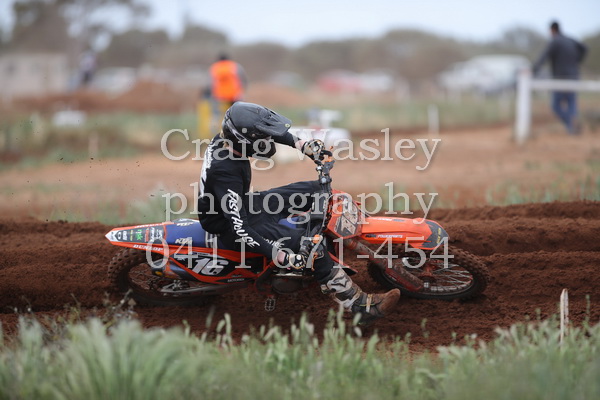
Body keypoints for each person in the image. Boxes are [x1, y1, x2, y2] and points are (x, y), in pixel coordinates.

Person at [196, 102, 400, 325]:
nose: (268, 141)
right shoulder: (224, 170)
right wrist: (281, 255)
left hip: (244, 204)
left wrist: (304, 145)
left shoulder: (227, 139)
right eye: (263, 139)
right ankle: (360, 306)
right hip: (230, 225)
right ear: (245, 141)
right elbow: (239, 229)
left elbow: (273, 132)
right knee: (310, 247)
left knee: (317, 190)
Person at [533, 21, 587, 135]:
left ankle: (570, 123)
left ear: (552, 30)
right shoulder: (570, 40)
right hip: (573, 76)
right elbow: (584, 48)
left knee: (556, 106)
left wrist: (533, 70)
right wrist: (577, 61)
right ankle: (573, 123)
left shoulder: (555, 41)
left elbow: (544, 56)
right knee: (571, 103)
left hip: (560, 78)